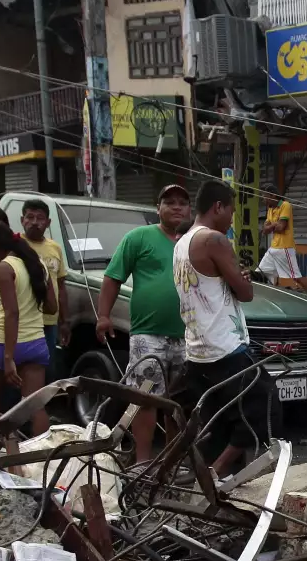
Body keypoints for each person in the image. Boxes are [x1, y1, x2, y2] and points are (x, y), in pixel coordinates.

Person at [175, 181, 277, 479]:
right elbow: (245, 293)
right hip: (225, 346)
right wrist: (241, 278)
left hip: (199, 348)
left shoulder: (182, 242)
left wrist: (234, 276)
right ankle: (217, 470)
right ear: (217, 207)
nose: (232, 219)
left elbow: (216, 283)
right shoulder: (214, 241)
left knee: (221, 419)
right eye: (230, 211)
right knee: (264, 405)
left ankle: (216, 474)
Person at [97, 184, 191, 464]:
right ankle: (142, 463)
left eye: (182, 203)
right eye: (169, 202)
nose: (176, 207)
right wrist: (103, 316)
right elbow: (113, 277)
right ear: (158, 208)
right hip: (147, 336)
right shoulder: (138, 237)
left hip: (189, 336)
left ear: (190, 210)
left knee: (178, 404)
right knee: (145, 400)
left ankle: (172, 462)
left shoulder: (195, 241)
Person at [0, 221, 55, 446]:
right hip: (36, 343)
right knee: (35, 406)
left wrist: (8, 357)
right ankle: (41, 458)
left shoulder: (3, 268)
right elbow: (52, 307)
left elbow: (11, 313)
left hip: (2, 344)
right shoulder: (38, 266)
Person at [19, 199, 70, 379]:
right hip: (22, 321)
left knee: (46, 367)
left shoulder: (55, 248)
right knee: (21, 369)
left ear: (48, 223)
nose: (34, 222)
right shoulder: (16, 245)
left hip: (49, 321)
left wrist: (64, 321)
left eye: (40, 218)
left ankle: (42, 404)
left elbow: (61, 286)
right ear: (22, 220)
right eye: (29, 217)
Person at [259, 198, 307, 293]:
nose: (263, 200)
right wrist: (275, 224)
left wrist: (272, 226)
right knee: (261, 273)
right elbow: (265, 230)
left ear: (271, 195)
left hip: (284, 248)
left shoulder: (285, 205)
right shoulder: (270, 209)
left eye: (264, 197)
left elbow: (281, 228)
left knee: (297, 277)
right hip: (273, 248)